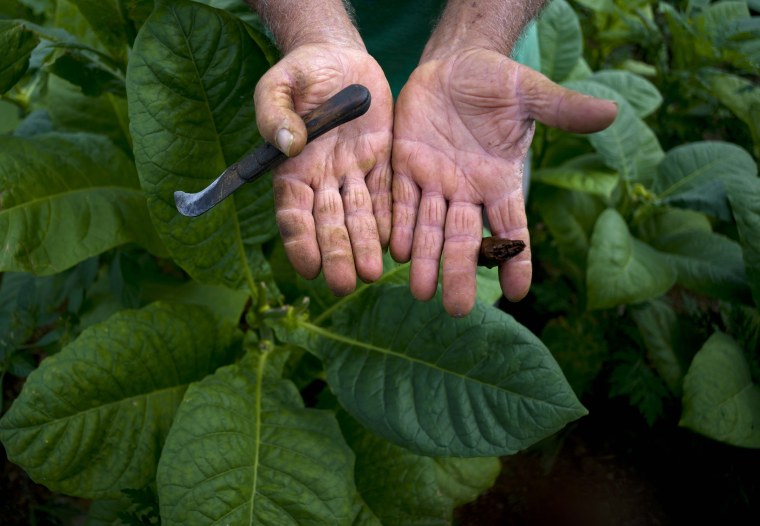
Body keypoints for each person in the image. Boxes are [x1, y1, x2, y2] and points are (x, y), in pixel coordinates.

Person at [245, 0, 617, 317]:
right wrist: (310, 29)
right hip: (305, 83)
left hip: (478, 118)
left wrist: (475, 38)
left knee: (455, 269)